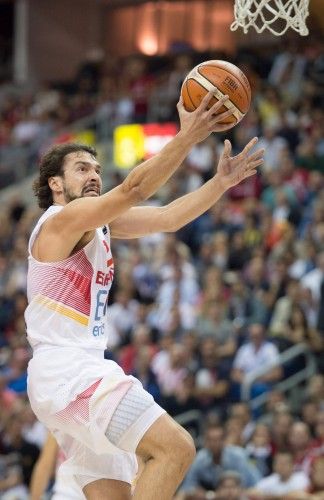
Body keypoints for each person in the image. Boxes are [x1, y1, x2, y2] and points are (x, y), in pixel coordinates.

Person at [25, 91, 264, 500]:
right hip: (69, 372)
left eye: (97, 168)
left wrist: (220, 183)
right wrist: (187, 136)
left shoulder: (95, 225)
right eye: (82, 169)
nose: (94, 175)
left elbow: (167, 217)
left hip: (67, 376)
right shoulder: (61, 221)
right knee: (176, 448)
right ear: (56, 184)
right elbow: (134, 189)